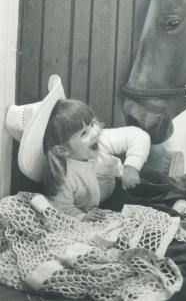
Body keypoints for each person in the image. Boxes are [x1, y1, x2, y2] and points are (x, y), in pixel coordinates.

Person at [5, 74, 150, 221]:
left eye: (92, 123)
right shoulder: (64, 175)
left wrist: (131, 166)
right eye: (84, 133)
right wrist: (82, 216)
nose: (94, 132)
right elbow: (62, 206)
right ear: (62, 150)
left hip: (122, 187)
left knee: (156, 188)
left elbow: (138, 135)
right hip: (99, 210)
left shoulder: (100, 138)